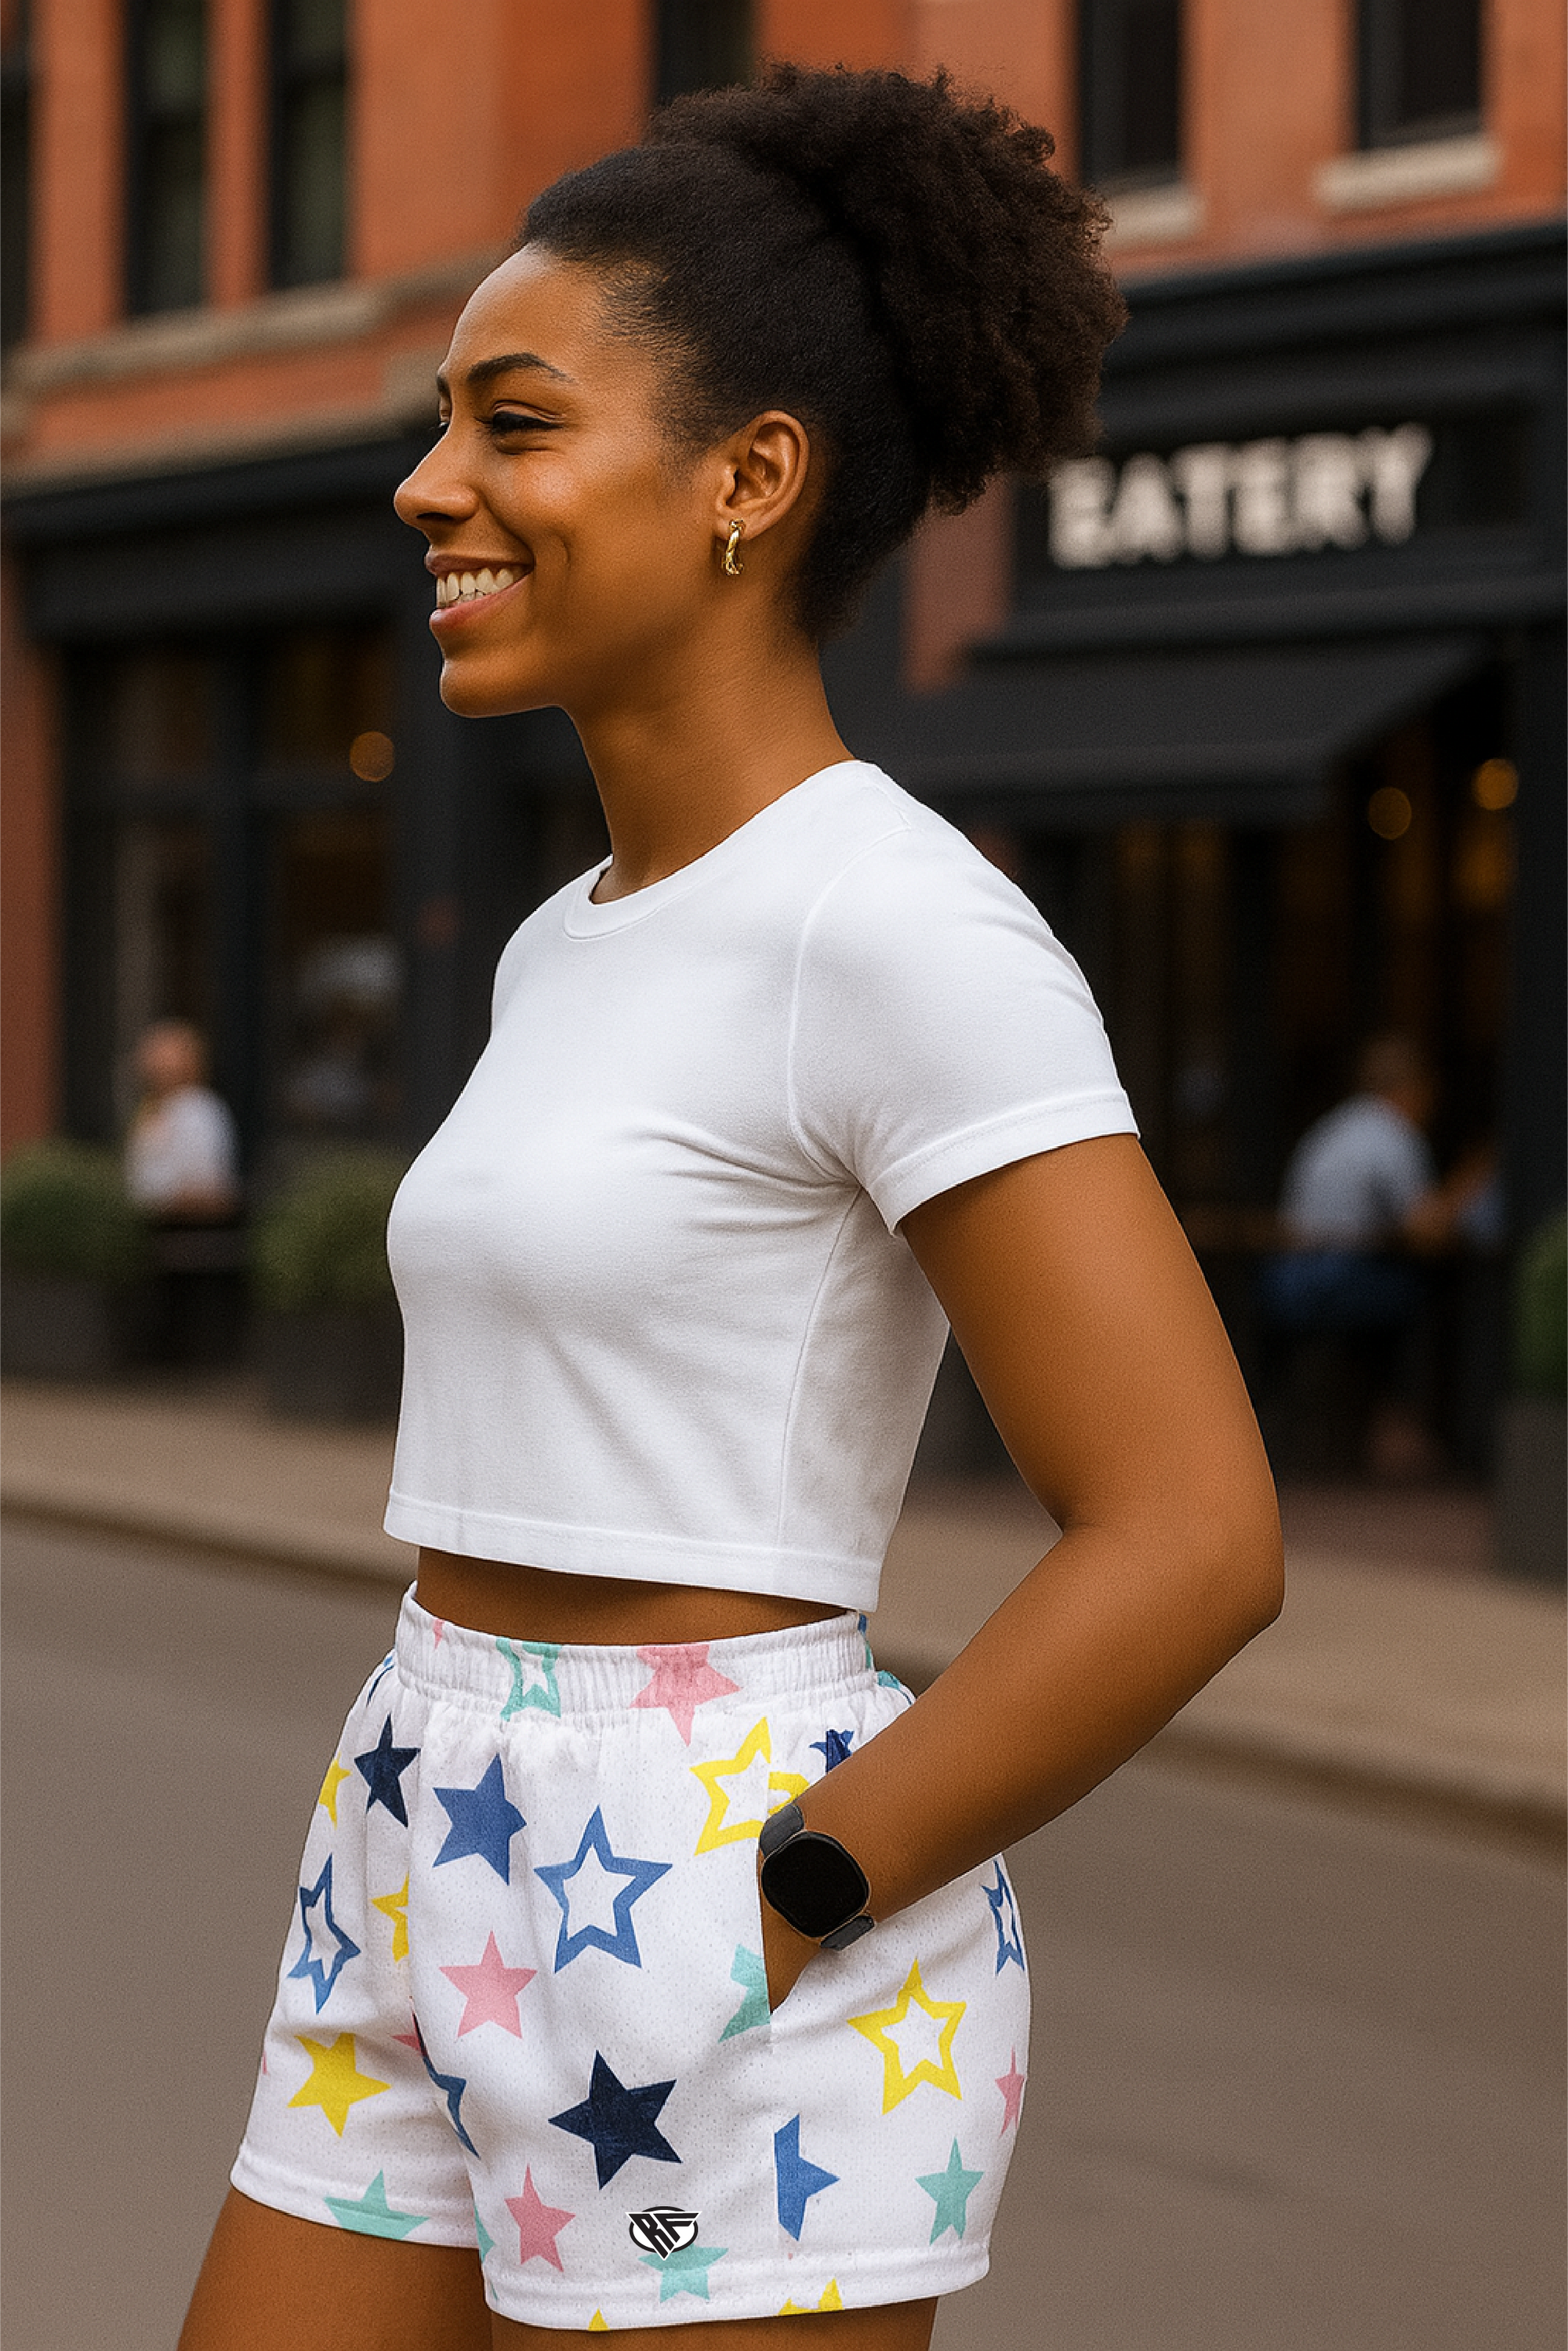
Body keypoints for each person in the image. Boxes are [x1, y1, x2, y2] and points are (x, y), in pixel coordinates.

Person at [180, 67, 1282, 2350]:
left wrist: (784, 1893)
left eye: (514, 421)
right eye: (441, 425)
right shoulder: (564, 932)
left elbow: (1189, 1530)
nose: (430, 483)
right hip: (417, 1803)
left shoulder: (896, 927)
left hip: (714, 1866)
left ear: (747, 482)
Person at [1260, 1034, 1446, 1479]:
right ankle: (1400, 1422)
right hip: (1341, 1287)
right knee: (1425, 1294)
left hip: (1290, 1282)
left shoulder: (1332, 1127)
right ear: (1409, 1089)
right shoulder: (1392, 1134)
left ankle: (1370, 1426)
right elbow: (1426, 1229)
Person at [125, 1018, 239, 1224]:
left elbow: (205, 1189)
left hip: (185, 1233)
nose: (152, 1063)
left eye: (163, 1055)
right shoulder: (152, 1109)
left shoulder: (197, 1110)